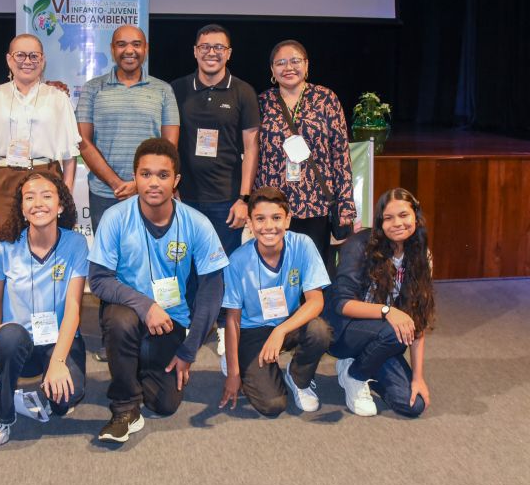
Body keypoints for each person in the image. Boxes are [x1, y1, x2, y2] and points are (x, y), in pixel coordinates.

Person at [88, 138, 228, 443]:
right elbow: (98, 280)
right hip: (128, 313)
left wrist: (188, 351)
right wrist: (145, 305)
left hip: (171, 321)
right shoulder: (115, 218)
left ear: (176, 180)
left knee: (164, 404)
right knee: (120, 320)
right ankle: (124, 408)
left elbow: (212, 290)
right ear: (135, 177)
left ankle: (133, 367)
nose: (153, 183)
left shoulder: (197, 223)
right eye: (146, 174)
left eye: (163, 175)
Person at [76, 24, 180, 361]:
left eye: (136, 44)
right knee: (111, 267)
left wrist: (140, 182)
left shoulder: (162, 90)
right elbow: (83, 142)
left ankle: (157, 331)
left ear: (145, 49)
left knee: (154, 261)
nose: (129, 50)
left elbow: (169, 146)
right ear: (112, 49)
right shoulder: (93, 89)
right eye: (121, 44)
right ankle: (114, 338)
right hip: (106, 194)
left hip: (152, 193)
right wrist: (115, 182)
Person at [170, 23, 260, 369]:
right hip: (186, 197)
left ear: (229, 53)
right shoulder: (178, 89)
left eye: (219, 47)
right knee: (187, 263)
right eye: (205, 46)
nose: (212, 52)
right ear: (195, 51)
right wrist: (172, 189)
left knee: (222, 265)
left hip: (227, 199)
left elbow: (251, 148)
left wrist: (244, 198)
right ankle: (192, 321)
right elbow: (170, 141)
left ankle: (223, 323)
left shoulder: (243, 91)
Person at [0, 172, 87, 446]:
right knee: (9, 336)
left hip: (57, 340)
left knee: (67, 398)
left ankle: (44, 387)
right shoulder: (4, 248)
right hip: (17, 344)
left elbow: (73, 308)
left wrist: (58, 361)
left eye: (47, 196)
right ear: (22, 208)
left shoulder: (76, 244)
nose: (38, 203)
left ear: (60, 205)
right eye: (29, 197)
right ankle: (2, 413)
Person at [219, 187, 331, 416]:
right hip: (252, 330)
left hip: (287, 323)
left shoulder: (303, 245)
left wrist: (280, 331)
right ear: (249, 223)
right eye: (260, 219)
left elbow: (316, 301)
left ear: (288, 220)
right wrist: (233, 372)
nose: (269, 226)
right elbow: (233, 320)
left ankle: (298, 378)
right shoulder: (237, 261)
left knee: (319, 331)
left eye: (277, 218)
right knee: (272, 406)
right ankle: (240, 358)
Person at [326, 188, 434, 417]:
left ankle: (362, 364)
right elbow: (342, 304)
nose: (398, 223)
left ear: (415, 216)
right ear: (379, 222)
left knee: (413, 406)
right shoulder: (359, 245)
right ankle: (355, 376)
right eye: (388, 218)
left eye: (404, 215)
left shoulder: (421, 256)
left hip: (383, 336)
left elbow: (418, 319)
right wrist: (388, 311)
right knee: (394, 332)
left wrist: (418, 378)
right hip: (345, 330)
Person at [255, 39, 355, 268]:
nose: (288, 68)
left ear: (307, 65)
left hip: (316, 203)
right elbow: (254, 155)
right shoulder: (262, 102)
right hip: (274, 205)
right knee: (276, 268)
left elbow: (340, 155)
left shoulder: (326, 99)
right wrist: (254, 201)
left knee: (313, 270)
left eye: (295, 61)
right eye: (280, 63)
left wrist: (345, 203)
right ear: (272, 69)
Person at [0, 34, 81, 229]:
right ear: (9, 59)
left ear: (42, 60)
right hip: (4, 179)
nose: (27, 61)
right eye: (20, 55)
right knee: (6, 240)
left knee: (44, 241)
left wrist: (67, 194)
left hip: (46, 178)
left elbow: (70, 155)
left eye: (34, 56)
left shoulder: (58, 98)